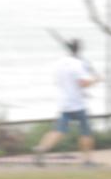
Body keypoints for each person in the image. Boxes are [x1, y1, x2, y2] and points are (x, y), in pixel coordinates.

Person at [33, 38, 99, 166]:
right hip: (78, 104)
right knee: (86, 133)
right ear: (79, 49)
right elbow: (83, 83)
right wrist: (95, 80)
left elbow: (58, 82)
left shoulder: (58, 64)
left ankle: (41, 148)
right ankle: (87, 160)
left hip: (64, 104)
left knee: (58, 131)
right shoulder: (78, 64)